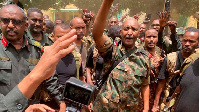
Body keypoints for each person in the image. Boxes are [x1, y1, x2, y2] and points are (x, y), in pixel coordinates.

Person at [0, 4, 75, 111]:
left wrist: (61, 102)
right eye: (5, 21)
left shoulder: (38, 50)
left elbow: (50, 79)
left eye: (16, 22)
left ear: (25, 25)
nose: (11, 25)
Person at [92, 0, 150, 111]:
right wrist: (106, 3)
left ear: (138, 33)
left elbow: (145, 84)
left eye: (134, 29)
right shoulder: (112, 50)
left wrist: (146, 109)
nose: (129, 32)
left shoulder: (144, 58)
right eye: (126, 29)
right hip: (105, 108)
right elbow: (97, 34)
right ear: (120, 32)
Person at [153, 27, 199, 111]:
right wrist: (156, 104)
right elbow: (161, 82)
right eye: (185, 40)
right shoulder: (171, 58)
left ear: (198, 43)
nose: (187, 44)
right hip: (168, 102)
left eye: (191, 41)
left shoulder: (197, 62)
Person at [141, 29, 165, 111]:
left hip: (156, 91)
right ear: (144, 38)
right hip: (142, 92)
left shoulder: (160, 51)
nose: (151, 39)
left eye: (154, 37)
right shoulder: (138, 52)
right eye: (148, 37)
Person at [69, 17, 88, 81]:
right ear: (71, 28)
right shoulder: (68, 46)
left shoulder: (87, 44)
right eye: (78, 28)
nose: (81, 30)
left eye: (83, 28)